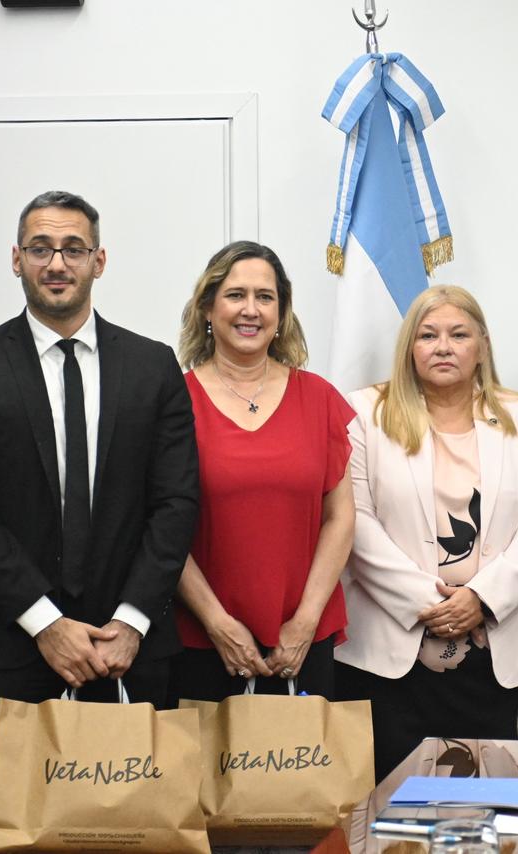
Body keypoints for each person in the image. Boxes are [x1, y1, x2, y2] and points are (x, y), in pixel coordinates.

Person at [0, 191, 199, 823]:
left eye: (73, 249)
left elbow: (176, 503)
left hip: (129, 648)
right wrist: (45, 623)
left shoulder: (153, 366)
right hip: (12, 642)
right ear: (16, 259)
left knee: (137, 830)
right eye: (40, 248)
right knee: (14, 829)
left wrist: (132, 621)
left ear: (98, 261)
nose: (56, 263)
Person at [336, 285, 518, 779]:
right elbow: (354, 521)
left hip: (498, 654)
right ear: (409, 347)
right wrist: (430, 603)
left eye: (459, 335)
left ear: (482, 346)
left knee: (500, 807)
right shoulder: (363, 413)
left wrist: (481, 598)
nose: (443, 347)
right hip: (391, 655)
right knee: (392, 810)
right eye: (428, 335)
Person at [168, 242, 354, 701]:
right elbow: (159, 527)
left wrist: (306, 621)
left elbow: (340, 518)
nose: (250, 310)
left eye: (265, 297)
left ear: (281, 312)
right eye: (235, 295)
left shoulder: (319, 398)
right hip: (201, 641)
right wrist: (216, 623)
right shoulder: (173, 401)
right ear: (207, 307)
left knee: (305, 754)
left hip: (304, 639)